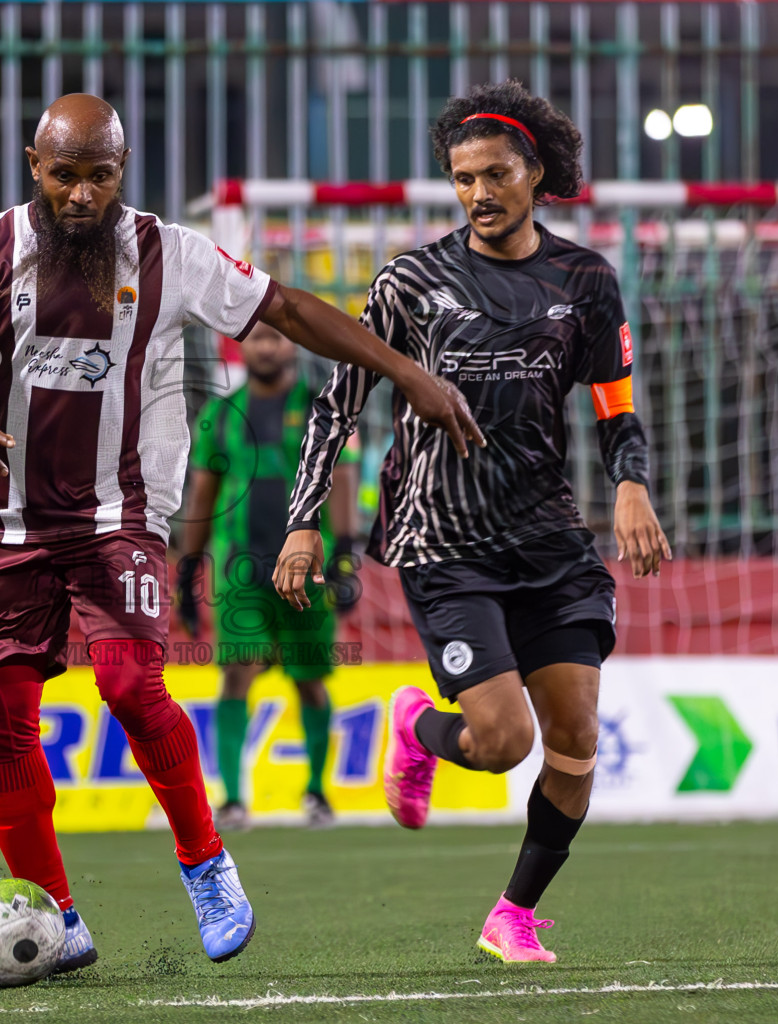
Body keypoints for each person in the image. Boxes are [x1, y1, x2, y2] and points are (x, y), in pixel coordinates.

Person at [0, 93, 481, 973]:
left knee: (131, 687)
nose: (82, 195)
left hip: (119, 517)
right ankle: (58, 918)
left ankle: (208, 865)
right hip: (5, 523)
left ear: (121, 171)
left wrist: (405, 371)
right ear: (34, 167)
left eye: (100, 175)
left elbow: (287, 310)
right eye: (65, 175)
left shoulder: (171, 254)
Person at [274, 80, 669, 964]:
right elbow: (336, 407)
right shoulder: (410, 282)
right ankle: (417, 724)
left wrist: (633, 483)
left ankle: (513, 913)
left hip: (548, 537)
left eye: (496, 175)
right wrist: (305, 523)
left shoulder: (585, 281)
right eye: (462, 179)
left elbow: (617, 409)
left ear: (535, 173)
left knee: (574, 738)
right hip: (441, 540)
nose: (479, 194)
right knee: (502, 742)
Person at [177, 321, 361, 831]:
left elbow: (342, 479)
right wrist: (187, 573)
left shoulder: (324, 410)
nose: (265, 346)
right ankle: (233, 800)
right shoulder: (220, 414)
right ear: (242, 346)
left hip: (308, 566)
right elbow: (203, 496)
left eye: (275, 337)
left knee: (309, 681)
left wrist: (345, 553)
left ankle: (317, 793)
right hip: (240, 567)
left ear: (292, 344)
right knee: (238, 672)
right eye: (256, 338)